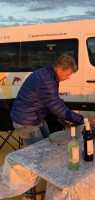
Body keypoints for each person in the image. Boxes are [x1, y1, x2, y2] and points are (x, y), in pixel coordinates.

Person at [11, 53, 84, 199]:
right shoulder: (47, 79)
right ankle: (29, 194)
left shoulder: (48, 74)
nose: (68, 77)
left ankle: (45, 187)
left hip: (35, 118)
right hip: (27, 122)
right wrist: (79, 119)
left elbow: (53, 101)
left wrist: (66, 117)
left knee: (49, 151)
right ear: (61, 69)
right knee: (36, 160)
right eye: (68, 74)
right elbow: (56, 106)